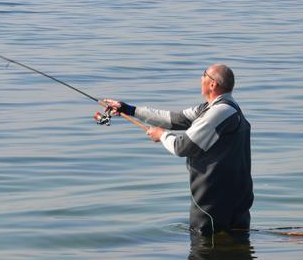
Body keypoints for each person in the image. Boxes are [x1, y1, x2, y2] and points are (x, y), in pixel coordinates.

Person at [105, 64, 253, 235]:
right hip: (237, 195)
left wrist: (161, 135)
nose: (200, 78)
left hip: (213, 200)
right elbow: (174, 119)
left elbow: (182, 147)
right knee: (237, 247)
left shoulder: (218, 113)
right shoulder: (220, 108)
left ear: (212, 84)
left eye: (203, 74)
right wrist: (129, 109)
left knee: (203, 254)